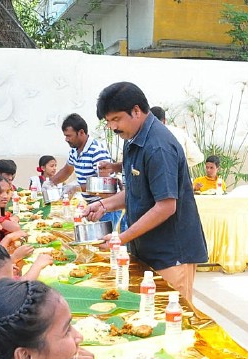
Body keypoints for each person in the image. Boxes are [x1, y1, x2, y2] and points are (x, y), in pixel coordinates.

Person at [85, 82, 209, 303]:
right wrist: (105, 205)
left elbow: (166, 205)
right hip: (146, 249)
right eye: (109, 121)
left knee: (171, 318)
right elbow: (137, 190)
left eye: (116, 119)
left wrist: (121, 238)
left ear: (136, 110)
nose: (113, 127)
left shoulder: (158, 146)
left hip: (170, 254)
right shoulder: (132, 140)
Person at [51, 113, 113, 199]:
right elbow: (66, 171)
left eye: (69, 136)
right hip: (90, 203)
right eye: (65, 136)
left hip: (106, 206)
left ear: (81, 132)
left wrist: (77, 187)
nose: (66, 139)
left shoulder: (97, 151)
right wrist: (50, 183)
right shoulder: (74, 150)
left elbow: (106, 185)